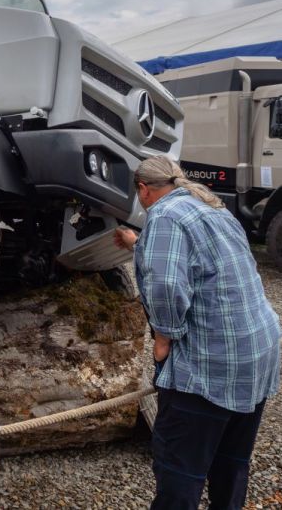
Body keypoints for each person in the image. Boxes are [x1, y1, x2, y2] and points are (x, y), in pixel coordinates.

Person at [114, 156, 280, 509]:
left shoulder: (164, 216)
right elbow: (195, 258)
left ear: (144, 190)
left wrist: (163, 338)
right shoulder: (209, 206)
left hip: (212, 362)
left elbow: (166, 285)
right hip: (255, 353)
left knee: (180, 472)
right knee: (231, 462)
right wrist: (136, 243)